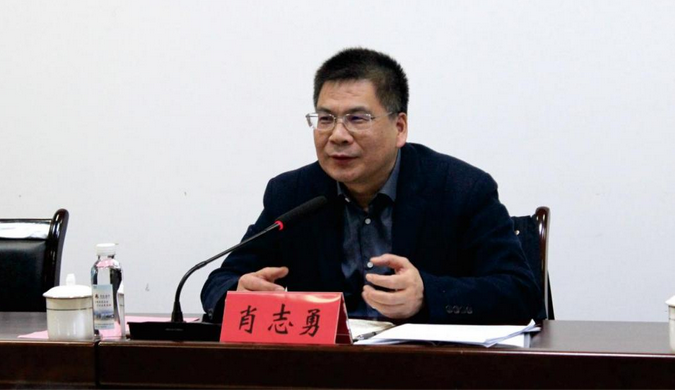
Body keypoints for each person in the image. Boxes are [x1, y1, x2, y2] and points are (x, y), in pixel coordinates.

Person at [201, 47, 542, 324]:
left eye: (357, 119)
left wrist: (427, 295)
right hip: (322, 371)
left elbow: (520, 292)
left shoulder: (461, 190)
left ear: (399, 128)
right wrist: (237, 294)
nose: (337, 135)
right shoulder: (292, 194)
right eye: (325, 119)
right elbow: (219, 282)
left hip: (428, 371)